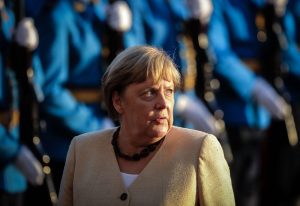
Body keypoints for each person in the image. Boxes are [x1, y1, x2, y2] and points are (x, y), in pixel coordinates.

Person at [58, 46, 235, 205]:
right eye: (149, 93)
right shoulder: (81, 150)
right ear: (118, 101)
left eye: (169, 91)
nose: (163, 103)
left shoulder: (200, 150)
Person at [208, 0, 300, 205]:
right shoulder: (225, 5)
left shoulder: (266, 7)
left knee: (256, 185)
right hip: (232, 105)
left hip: (262, 111)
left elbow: (283, 48)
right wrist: (253, 86)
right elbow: (219, 54)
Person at [0, 1, 45, 205]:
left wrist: (29, 53)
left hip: (13, 170)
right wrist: (11, 150)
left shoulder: (9, 14)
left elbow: (36, 86)